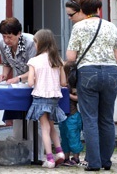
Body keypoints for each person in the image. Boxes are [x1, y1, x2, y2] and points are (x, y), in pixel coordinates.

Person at [66, 0, 117, 171]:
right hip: (111, 73)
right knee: (107, 119)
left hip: (88, 72)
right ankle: (106, 161)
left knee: (90, 119)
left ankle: (94, 163)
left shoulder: (79, 27)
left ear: (82, 10)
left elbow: (71, 57)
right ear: (99, 9)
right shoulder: (111, 26)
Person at [0, 17, 44, 159]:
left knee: (33, 121)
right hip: (18, 84)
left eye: (9, 37)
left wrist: (19, 78)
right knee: (18, 119)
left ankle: (37, 155)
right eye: (4, 36)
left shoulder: (30, 42)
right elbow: (7, 63)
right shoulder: (2, 45)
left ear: (19, 34)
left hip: (34, 82)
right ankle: (21, 154)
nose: (6, 40)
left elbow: (36, 68)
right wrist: (4, 75)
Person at [26, 29, 67, 168]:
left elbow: (30, 83)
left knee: (44, 128)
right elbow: (63, 83)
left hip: (40, 97)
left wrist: (37, 78)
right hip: (54, 97)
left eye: (35, 43)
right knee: (51, 126)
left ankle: (49, 158)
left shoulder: (34, 61)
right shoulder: (58, 60)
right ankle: (60, 152)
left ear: (40, 43)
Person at [59, 0, 88, 167]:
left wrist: (69, 94)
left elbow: (72, 57)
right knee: (66, 134)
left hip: (73, 111)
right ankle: (68, 156)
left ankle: (77, 157)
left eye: (71, 15)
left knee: (74, 133)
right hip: (65, 112)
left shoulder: (75, 79)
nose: (69, 18)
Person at [59, 61, 83, 166]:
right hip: (63, 116)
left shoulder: (74, 84)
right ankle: (66, 157)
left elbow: (79, 98)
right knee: (64, 138)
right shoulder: (61, 83)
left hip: (73, 115)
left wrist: (67, 94)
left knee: (73, 137)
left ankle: (76, 157)